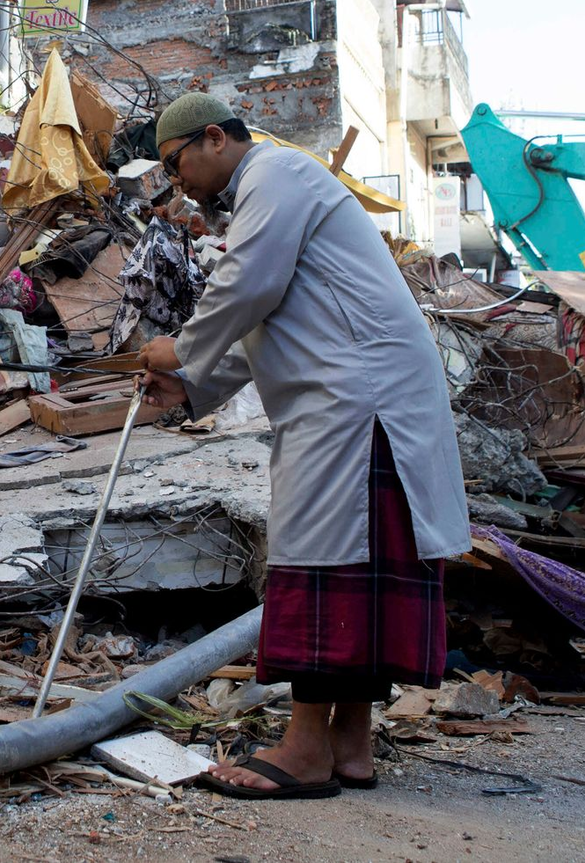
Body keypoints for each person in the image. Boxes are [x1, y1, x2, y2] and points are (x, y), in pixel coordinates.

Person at [139, 92, 470, 800]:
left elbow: (247, 286)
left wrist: (179, 349)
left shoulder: (276, 177)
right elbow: (266, 313)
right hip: (362, 393)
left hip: (359, 398)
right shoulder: (271, 194)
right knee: (362, 562)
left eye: (177, 163)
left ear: (217, 138)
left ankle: (304, 748)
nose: (178, 182)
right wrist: (191, 385)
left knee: (330, 564)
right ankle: (349, 743)